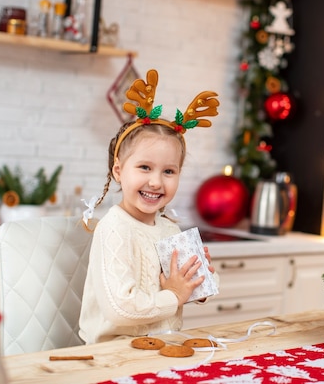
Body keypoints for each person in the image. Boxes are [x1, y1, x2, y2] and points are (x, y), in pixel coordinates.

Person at [79, 69, 221, 344]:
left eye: (169, 171)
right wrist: (175, 296)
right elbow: (121, 309)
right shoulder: (114, 229)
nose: (156, 182)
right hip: (114, 354)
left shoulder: (169, 228)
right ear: (118, 171)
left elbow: (183, 288)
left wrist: (197, 283)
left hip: (164, 346)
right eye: (145, 167)